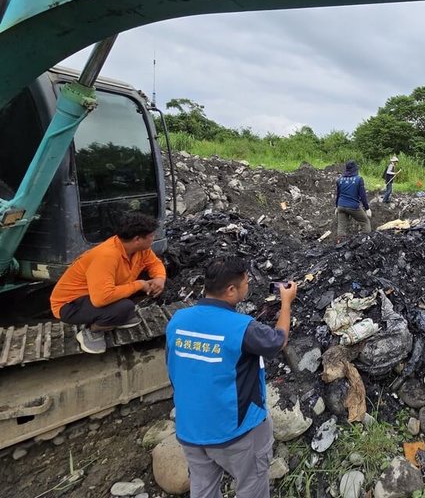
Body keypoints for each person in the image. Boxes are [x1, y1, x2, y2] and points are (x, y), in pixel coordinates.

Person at [166, 256, 296, 498]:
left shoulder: (177, 321)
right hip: (236, 431)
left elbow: (173, 368)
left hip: (190, 428)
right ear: (231, 289)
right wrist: (286, 303)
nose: (249, 287)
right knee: (252, 486)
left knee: (203, 488)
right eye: (246, 283)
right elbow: (278, 340)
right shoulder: (242, 327)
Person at [50, 211, 166, 354]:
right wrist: (140, 285)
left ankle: (112, 317)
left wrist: (160, 278)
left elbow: (154, 264)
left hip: (97, 294)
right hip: (70, 305)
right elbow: (101, 298)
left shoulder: (141, 250)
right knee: (124, 307)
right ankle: (92, 331)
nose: (153, 239)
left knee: (134, 298)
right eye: (151, 236)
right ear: (137, 239)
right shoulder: (107, 256)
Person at [335, 160, 371, 238]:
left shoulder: (339, 180)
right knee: (365, 222)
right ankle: (365, 241)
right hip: (353, 206)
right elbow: (362, 196)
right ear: (355, 169)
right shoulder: (358, 179)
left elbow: (338, 195)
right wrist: (367, 209)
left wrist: (336, 207)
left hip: (341, 205)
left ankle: (340, 243)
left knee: (341, 227)